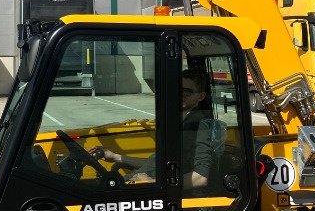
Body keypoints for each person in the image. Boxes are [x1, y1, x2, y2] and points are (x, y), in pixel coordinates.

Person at [91, 69, 223, 190]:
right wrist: (115, 156)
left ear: (200, 96)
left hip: (151, 190)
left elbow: (200, 177)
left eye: (187, 92)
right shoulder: (177, 122)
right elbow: (155, 163)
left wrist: (154, 183)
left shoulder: (198, 126)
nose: (181, 94)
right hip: (137, 181)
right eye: (178, 89)